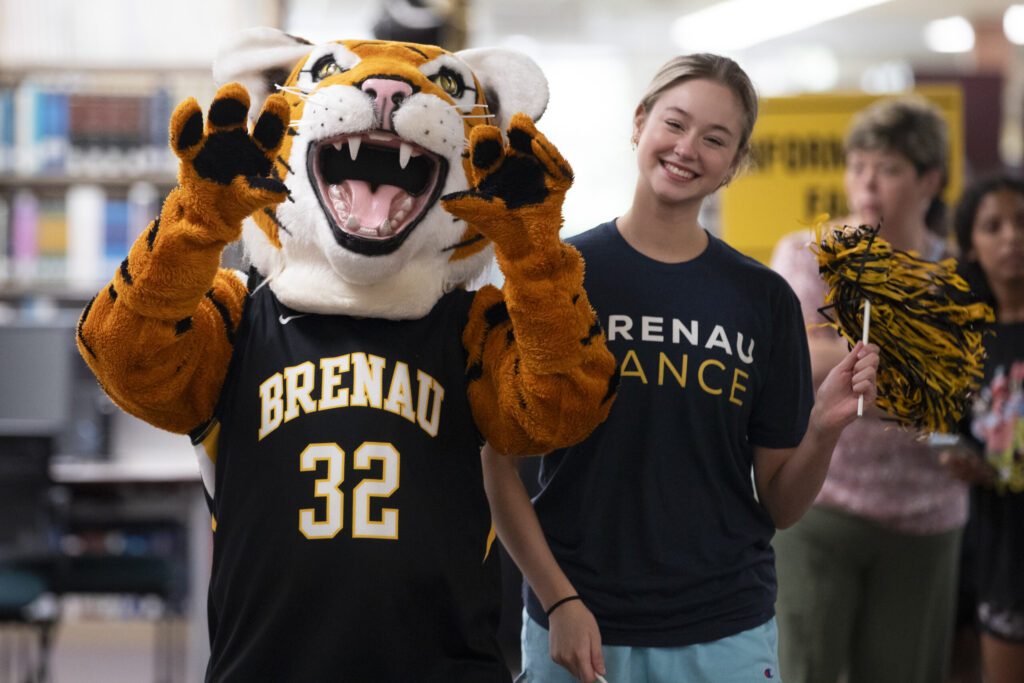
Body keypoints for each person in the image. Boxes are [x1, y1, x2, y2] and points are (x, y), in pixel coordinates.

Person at [482, 53, 879, 683]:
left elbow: (779, 502)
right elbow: (497, 467)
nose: (688, 148)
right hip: (579, 624)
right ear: (640, 123)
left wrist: (826, 425)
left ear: (734, 164)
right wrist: (557, 600)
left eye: (716, 139)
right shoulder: (554, 277)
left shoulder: (765, 300)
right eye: (675, 123)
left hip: (725, 631)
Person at [769, 95, 965, 683]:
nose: (867, 181)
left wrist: (843, 354)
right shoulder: (808, 254)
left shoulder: (961, 272)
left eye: (889, 167)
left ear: (930, 179)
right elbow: (793, 359)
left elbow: (960, 389)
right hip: (819, 502)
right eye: (858, 164)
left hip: (927, 516)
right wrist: (920, 370)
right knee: (804, 669)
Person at [942, 174, 1024, 683]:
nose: (1012, 236)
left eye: (1022, 222)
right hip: (997, 548)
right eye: (993, 226)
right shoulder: (962, 341)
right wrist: (955, 455)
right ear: (971, 246)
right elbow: (948, 432)